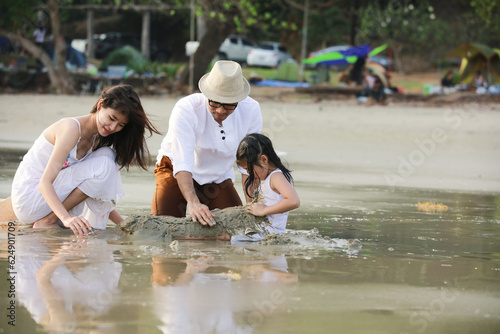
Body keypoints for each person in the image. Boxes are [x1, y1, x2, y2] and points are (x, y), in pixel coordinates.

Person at [8, 84, 159, 236]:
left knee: (108, 156)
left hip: (48, 202)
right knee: (106, 161)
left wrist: (122, 224)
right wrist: (66, 219)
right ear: (100, 105)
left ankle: (51, 219)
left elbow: (94, 190)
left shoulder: (97, 139)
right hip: (29, 200)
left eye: (120, 125)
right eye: (112, 118)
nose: (113, 127)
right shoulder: (71, 129)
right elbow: (44, 183)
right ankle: (48, 221)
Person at [151, 60, 262, 226]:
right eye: (215, 102)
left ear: (239, 100)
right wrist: (194, 204)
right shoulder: (186, 108)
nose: (220, 110)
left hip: (217, 177)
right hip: (175, 169)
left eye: (228, 105)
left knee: (234, 228)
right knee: (162, 226)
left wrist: (253, 205)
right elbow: (183, 161)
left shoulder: (251, 110)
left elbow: (248, 165)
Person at [235, 133, 300, 241]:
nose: (250, 175)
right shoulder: (266, 176)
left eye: (250, 170)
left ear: (264, 160)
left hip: (268, 232)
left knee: (226, 237)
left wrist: (264, 210)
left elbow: (294, 201)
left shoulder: (276, 177)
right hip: (262, 229)